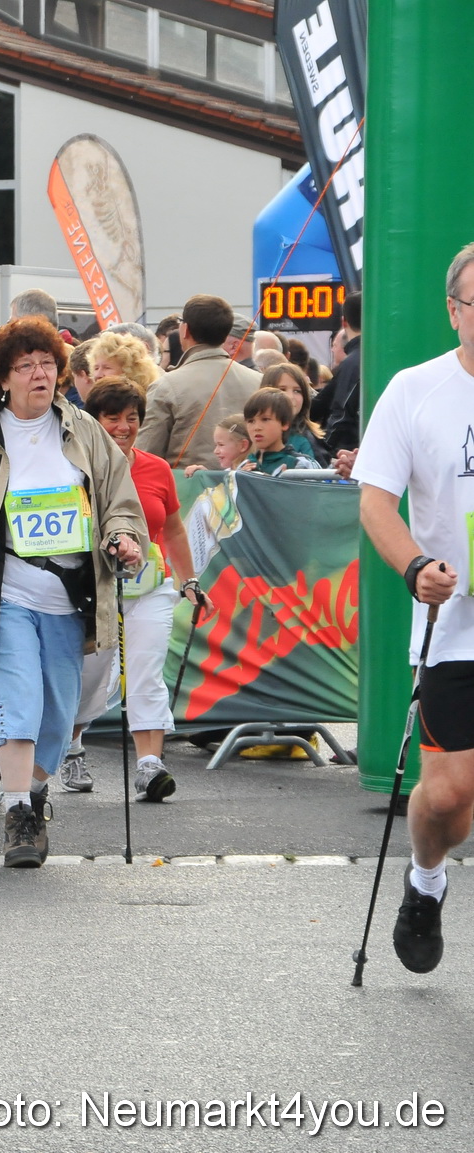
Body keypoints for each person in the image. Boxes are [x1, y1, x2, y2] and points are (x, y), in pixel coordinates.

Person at [0, 316, 145, 868]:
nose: (39, 374)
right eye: (25, 366)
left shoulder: (84, 432)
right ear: (2, 378)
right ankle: (17, 815)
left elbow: (119, 503)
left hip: (71, 600)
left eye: (46, 364)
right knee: (18, 702)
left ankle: (33, 795)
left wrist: (123, 540)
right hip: (3, 597)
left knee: (58, 720)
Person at [350, 241, 474, 975]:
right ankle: (425, 878)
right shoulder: (413, 389)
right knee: (450, 793)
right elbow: (375, 501)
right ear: (453, 310)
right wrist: (414, 565)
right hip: (453, 626)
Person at [61, 377, 211, 798]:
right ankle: (72, 748)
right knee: (90, 678)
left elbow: (175, 530)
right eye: (113, 418)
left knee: (145, 671)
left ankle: (149, 765)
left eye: (132, 418)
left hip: (151, 588)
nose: (124, 426)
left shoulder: (157, 467)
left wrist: (190, 581)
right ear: (94, 422)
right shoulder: (72, 469)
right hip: (94, 591)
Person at [137, 294, 262, 470]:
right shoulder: (259, 381)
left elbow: (145, 457)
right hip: (247, 492)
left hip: (187, 492)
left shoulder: (166, 386)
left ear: (185, 329)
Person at [261, 362, 328, 463]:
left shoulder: (306, 440)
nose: (290, 397)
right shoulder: (254, 432)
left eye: (297, 391)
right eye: (282, 390)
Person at [240, 388, 316, 475]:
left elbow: (318, 488)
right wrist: (242, 480)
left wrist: (278, 485)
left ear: (284, 424)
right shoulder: (245, 466)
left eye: (265, 419)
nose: (257, 428)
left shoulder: (300, 464)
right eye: (250, 421)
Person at [324, 289, 363, 453]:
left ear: (343, 322)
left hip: (347, 454)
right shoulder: (374, 358)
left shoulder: (352, 364)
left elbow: (341, 415)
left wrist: (325, 448)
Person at [90, 331, 161, 391]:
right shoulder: (96, 403)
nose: (97, 375)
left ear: (131, 372)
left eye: (107, 367)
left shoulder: (145, 404)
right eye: (96, 368)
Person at [184, 415, 252, 476]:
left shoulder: (252, 473)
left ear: (243, 445)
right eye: (216, 445)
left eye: (221, 445)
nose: (216, 451)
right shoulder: (228, 472)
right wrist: (205, 476)